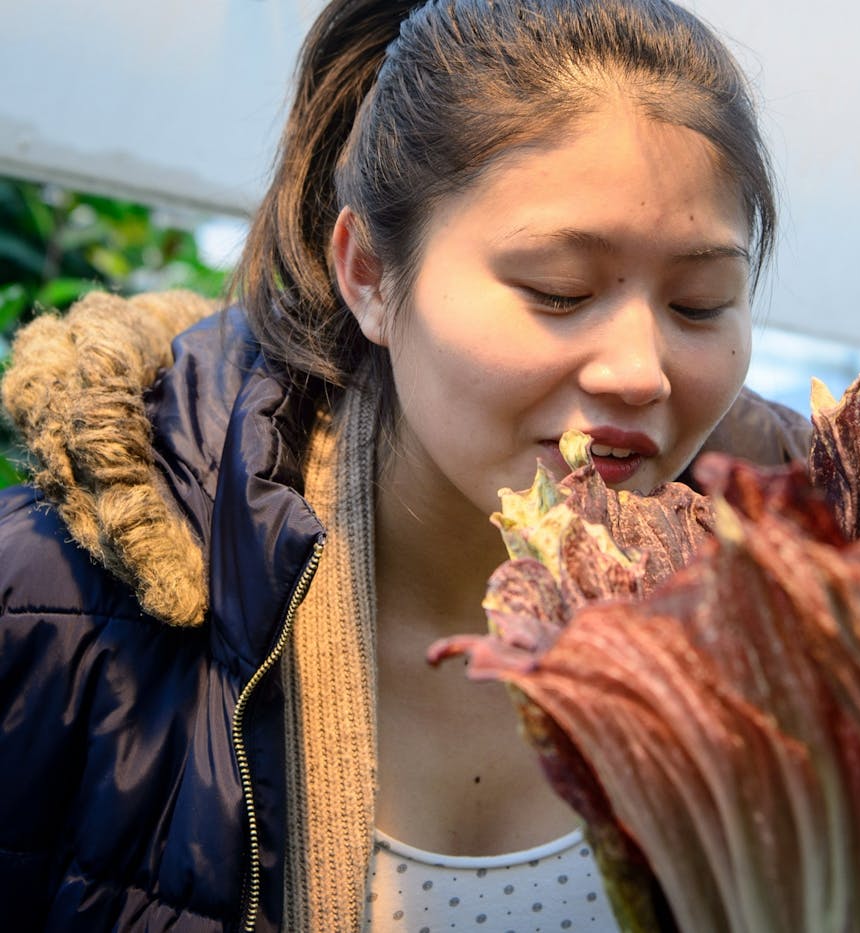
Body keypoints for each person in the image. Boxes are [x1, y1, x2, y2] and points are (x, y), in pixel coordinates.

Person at [0, 0, 809, 928]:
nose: (640, 370)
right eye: (561, 292)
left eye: (702, 305)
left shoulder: (804, 636)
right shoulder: (48, 608)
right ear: (372, 276)